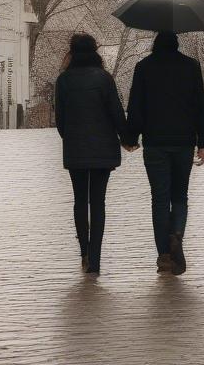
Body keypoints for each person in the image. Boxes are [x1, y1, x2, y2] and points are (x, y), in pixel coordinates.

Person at [126, 31, 204, 275]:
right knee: (180, 195)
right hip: (184, 142)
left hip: (155, 143)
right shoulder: (191, 66)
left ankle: (164, 254)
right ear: (177, 44)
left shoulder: (144, 67)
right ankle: (177, 235)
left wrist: (131, 137)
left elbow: (136, 106)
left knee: (159, 199)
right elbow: (200, 107)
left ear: (155, 45)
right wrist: (203, 143)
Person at [54, 33, 133, 275]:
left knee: (80, 201)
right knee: (98, 202)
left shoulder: (64, 80)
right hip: (102, 149)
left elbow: (60, 121)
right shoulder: (104, 78)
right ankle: (96, 258)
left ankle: (84, 252)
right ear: (95, 51)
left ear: (72, 52)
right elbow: (116, 112)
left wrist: (72, 138)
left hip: (76, 149)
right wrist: (127, 138)